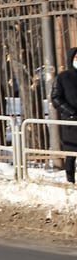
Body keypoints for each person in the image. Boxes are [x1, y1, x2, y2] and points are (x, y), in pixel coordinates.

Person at [50, 46, 77, 184]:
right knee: (72, 154)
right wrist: (71, 112)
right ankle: (70, 180)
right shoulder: (63, 77)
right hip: (71, 122)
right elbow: (56, 98)